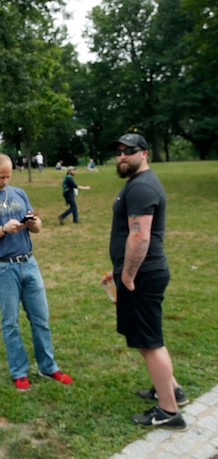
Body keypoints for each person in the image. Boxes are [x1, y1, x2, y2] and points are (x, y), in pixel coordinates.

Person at [0, 154, 72, 392]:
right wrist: (3, 229)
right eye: (2, 176)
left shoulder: (19, 193)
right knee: (11, 323)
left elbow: (38, 226)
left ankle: (48, 366)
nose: (5, 180)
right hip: (3, 267)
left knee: (41, 319)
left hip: (29, 263)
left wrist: (32, 223)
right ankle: (19, 372)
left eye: (9, 176)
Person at [107, 133, 187, 430]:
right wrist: (117, 270)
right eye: (118, 152)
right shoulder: (138, 183)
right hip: (138, 273)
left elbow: (140, 236)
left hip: (141, 276)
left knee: (151, 342)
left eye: (129, 151)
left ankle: (168, 411)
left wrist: (127, 275)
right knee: (145, 338)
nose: (122, 157)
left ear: (144, 153)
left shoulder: (141, 186)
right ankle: (172, 390)